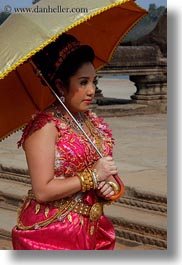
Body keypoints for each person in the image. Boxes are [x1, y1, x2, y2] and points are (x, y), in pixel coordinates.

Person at [12, 33, 122, 250]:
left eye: (93, 81)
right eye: (83, 83)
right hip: (54, 232)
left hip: (91, 228)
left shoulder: (87, 120)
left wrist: (105, 186)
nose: (91, 90)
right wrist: (93, 176)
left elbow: (99, 171)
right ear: (60, 85)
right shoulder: (44, 127)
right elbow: (43, 190)